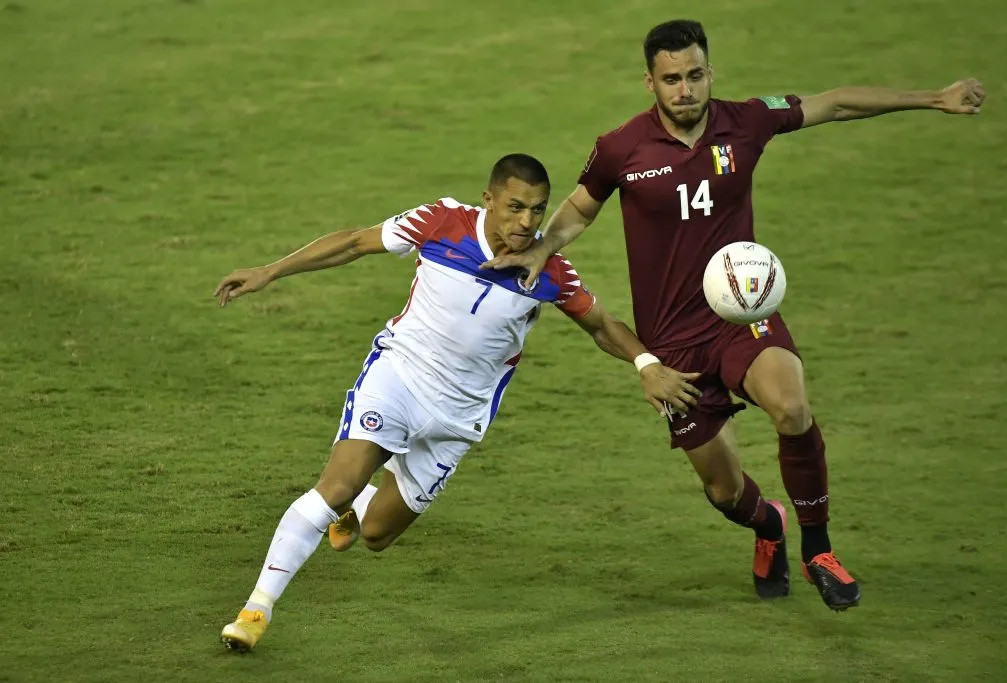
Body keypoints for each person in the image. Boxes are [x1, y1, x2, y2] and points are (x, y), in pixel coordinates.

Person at [482, 20, 987, 611]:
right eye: (672, 79)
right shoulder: (620, 147)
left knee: (792, 406)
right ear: (651, 82)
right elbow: (579, 207)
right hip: (672, 345)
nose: (685, 89)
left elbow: (835, 104)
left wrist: (934, 97)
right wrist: (543, 248)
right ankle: (768, 527)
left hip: (743, 317)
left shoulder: (746, 120)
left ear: (709, 73)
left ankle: (817, 548)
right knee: (723, 492)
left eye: (695, 75)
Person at [213, 153, 701, 652]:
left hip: (457, 420)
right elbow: (356, 242)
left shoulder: (548, 270)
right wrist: (269, 272)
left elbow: (601, 324)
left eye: (537, 210)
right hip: (398, 378)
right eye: (515, 207)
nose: (527, 222)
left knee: (377, 534)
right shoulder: (440, 221)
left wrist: (647, 365)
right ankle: (256, 610)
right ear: (488, 199)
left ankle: (361, 504)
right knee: (334, 487)